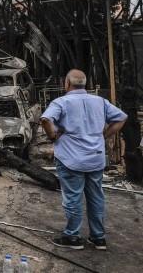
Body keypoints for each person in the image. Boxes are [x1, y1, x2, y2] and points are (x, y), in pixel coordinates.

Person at [40, 69, 127, 250]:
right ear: (84, 84)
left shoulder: (61, 102)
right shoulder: (100, 101)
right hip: (95, 158)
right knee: (96, 197)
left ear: (67, 83)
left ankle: (72, 237)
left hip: (71, 159)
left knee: (73, 197)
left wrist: (53, 137)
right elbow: (121, 117)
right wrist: (104, 135)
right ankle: (98, 238)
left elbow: (46, 119)